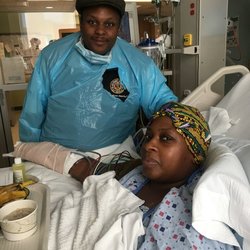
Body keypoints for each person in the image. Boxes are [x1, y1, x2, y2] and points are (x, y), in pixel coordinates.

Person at [13, 101, 235, 249]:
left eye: (165, 138)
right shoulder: (133, 171)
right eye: (149, 137)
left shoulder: (199, 208)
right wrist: (22, 148)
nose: (149, 145)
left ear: (194, 153)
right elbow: (82, 168)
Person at [19, 0, 177, 152]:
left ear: (119, 26)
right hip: (56, 160)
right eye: (92, 22)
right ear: (81, 21)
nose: (100, 31)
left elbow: (164, 104)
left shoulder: (138, 64)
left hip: (115, 160)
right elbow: (33, 114)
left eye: (109, 24)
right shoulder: (52, 57)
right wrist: (30, 152)